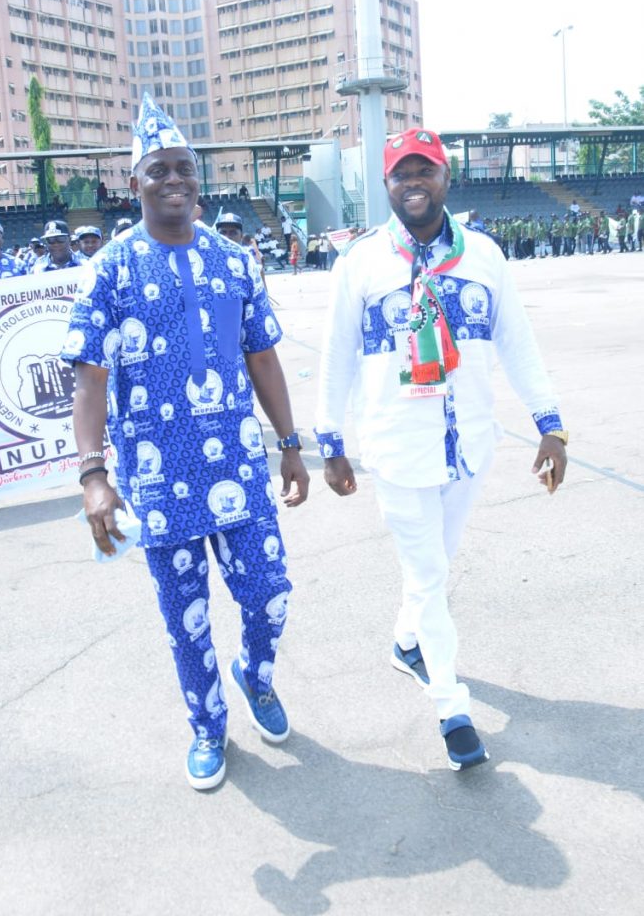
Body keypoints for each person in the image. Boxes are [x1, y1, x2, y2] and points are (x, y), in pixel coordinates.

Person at [61, 95, 309, 791]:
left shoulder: (235, 260)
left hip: (240, 465)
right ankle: (207, 724)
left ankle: (255, 674)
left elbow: (262, 357)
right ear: (134, 184)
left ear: (199, 178)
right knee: (185, 616)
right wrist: (93, 475)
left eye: (184, 168)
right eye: (159, 170)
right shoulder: (110, 268)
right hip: (158, 477)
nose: (174, 179)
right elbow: (90, 378)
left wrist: (290, 443)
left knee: (269, 594)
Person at [314, 127, 568, 772]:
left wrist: (551, 424)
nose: (414, 183)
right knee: (427, 574)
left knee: (436, 564)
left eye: (425, 171)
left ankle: (407, 643)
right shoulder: (361, 262)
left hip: (469, 446)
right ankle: (452, 707)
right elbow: (337, 354)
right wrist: (329, 439)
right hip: (397, 446)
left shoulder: (483, 255)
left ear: (445, 178)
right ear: (386, 184)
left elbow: (517, 341)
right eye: (402, 173)